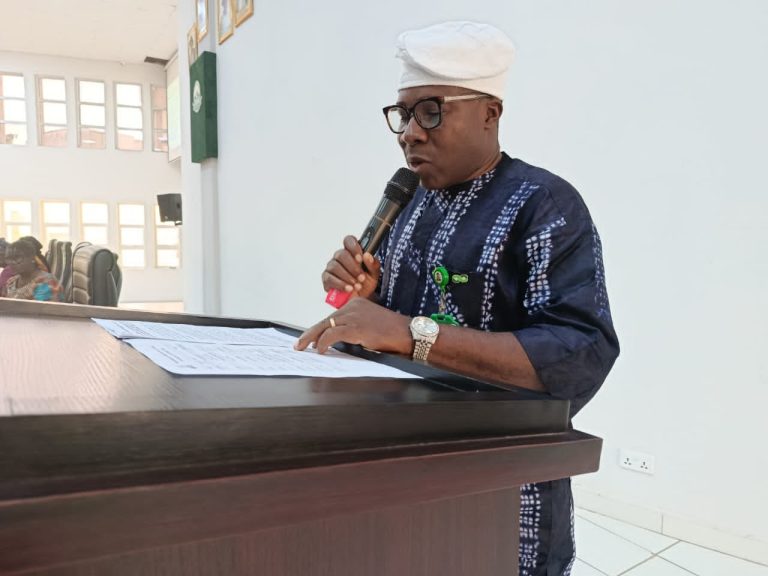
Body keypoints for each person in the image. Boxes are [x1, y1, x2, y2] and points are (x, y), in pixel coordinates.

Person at [295, 21, 620, 576]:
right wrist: (368, 299)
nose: (410, 134)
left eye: (431, 112)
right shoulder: (411, 204)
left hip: (503, 491)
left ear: (490, 113)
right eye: (403, 115)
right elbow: (394, 331)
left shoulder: (543, 204)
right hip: (401, 472)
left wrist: (409, 333)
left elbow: (580, 353)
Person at [3, 237, 63, 302]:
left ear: (32, 258)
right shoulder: (11, 282)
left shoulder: (46, 282)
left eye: (17, 258)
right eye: (8, 259)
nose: (12, 262)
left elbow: (44, 308)